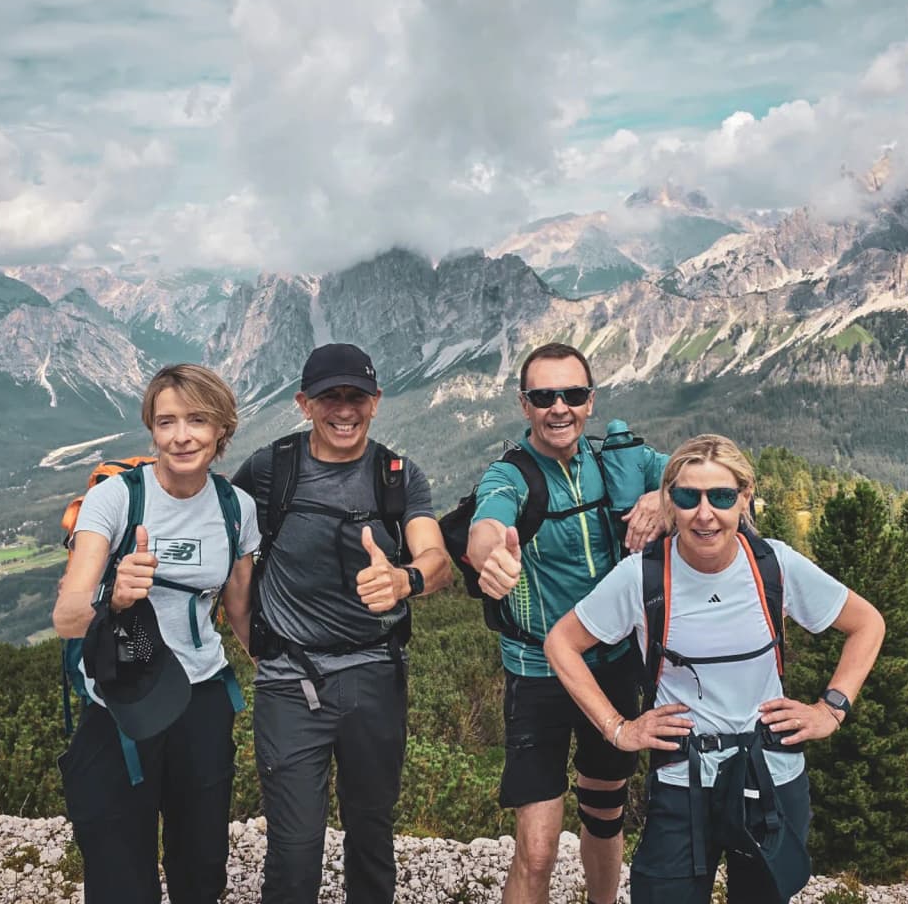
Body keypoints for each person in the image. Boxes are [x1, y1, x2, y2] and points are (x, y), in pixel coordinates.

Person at [544, 434, 886, 904]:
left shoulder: (774, 566)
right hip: (682, 782)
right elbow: (561, 642)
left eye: (721, 497)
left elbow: (867, 623)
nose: (705, 514)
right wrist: (617, 729)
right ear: (670, 503)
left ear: (745, 497)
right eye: (688, 497)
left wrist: (831, 710)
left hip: (770, 775)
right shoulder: (641, 575)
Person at [231, 342, 452, 904]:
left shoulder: (397, 476)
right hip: (289, 683)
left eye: (358, 396)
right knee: (293, 847)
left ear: (376, 402)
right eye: (331, 396)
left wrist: (405, 580)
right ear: (305, 404)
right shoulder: (269, 470)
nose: (345, 409)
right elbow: (223, 546)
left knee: (372, 834)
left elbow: (436, 558)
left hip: (375, 675)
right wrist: (258, 645)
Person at [466, 342, 668, 904]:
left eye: (573, 395)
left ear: (590, 401)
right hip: (537, 674)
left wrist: (663, 495)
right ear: (524, 405)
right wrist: (491, 556)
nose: (560, 407)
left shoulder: (618, 460)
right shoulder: (510, 476)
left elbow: (710, 475)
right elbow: (488, 521)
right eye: (544, 396)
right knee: (536, 849)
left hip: (612, 665)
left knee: (605, 816)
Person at [53, 363, 260, 904]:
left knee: (202, 864)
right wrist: (112, 596)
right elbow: (67, 615)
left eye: (197, 419)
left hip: (202, 697)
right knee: (120, 872)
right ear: (151, 429)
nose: (181, 435)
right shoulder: (116, 499)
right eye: (166, 421)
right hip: (122, 702)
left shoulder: (237, 509)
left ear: (221, 428)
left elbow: (238, 609)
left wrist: (285, 675)